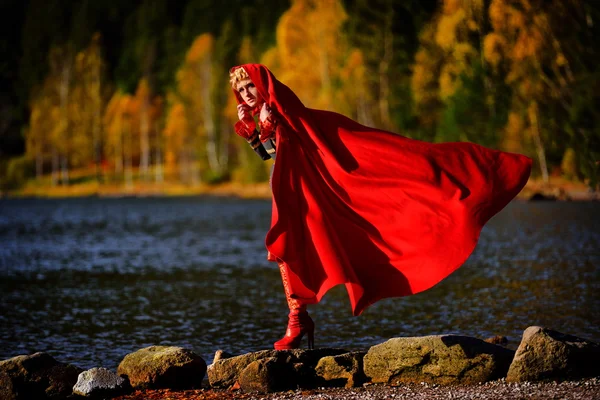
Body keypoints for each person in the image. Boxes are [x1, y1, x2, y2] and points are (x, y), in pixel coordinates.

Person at [229, 63, 532, 351]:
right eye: (240, 91)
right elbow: (273, 156)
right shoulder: (275, 114)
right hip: (300, 197)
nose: (246, 94)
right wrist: (254, 132)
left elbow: (286, 150)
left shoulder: (289, 112)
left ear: (263, 84)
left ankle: (298, 321)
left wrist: (266, 127)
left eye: (249, 86)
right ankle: (298, 319)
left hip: (314, 197)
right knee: (290, 252)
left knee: (292, 249)